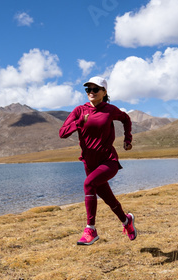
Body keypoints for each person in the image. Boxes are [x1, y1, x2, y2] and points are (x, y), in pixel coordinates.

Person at [58, 76, 137, 245]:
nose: (91, 92)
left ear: (104, 92)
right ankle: (126, 221)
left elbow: (126, 119)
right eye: (88, 89)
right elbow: (62, 133)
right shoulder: (79, 110)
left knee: (88, 184)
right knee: (108, 199)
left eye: (95, 89)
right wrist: (79, 123)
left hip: (108, 161)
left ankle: (90, 229)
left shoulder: (110, 110)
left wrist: (127, 139)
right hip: (89, 163)